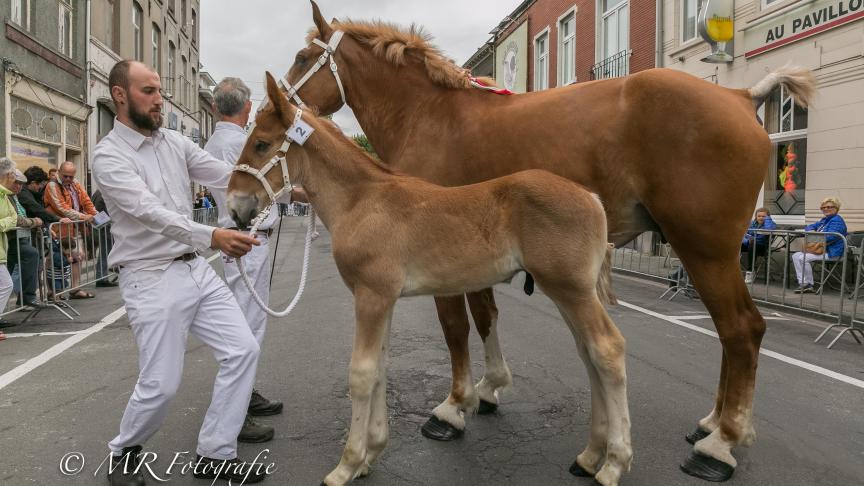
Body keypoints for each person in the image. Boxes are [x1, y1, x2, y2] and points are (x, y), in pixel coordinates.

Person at [93, 60, 267, 485]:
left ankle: (215, 452)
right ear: (120, 95)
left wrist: (279, 181)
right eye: (149, 91)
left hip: (195, 271)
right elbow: (147, 213)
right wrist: (214, 235)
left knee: (243, 349)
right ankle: (124, 453)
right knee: (161, 385)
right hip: (150, 277)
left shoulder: (172, 141)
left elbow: (223, 174)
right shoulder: (108, 156)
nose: (160, 99)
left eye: (159, 91)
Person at [204, 77, 282, 445]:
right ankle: (238, 411)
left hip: (242, 239)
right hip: (247, 238)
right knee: (247, 329)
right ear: (247, 108)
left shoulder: (219, 141)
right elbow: (259, 190)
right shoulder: (238, 143)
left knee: (246, 325)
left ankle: (245, 397)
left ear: (217, 107)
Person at [44, 161, 98, 298]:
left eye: (71, 176)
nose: (68, 179)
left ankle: (75, 288)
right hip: (57, 228)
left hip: (72, 228)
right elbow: (61, 207)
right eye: (65, 176)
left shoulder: (76, 184)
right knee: (55, 260)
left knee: (78, 256)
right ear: (59, 172)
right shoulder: (52, 185)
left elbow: (86, 201)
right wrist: (84, 216)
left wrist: (95, 216)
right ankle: (53, 292)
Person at [792, 197, 848, 293]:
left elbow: (830, 237)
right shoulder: (825, 220)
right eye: (823, 207)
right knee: (796, 256)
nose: (826, 209)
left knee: (803, 258)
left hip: (832, 252)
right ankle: (803, 283)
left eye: (829, 206)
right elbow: (809, 227)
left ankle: (809, 284)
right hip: (822, 249)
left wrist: (812, 237)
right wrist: (812, 231)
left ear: (836, 208)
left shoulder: (837, 220)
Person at [7, 169, 43, 309]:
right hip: (10, 239)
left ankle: (26, 298)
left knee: (7, 275)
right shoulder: (6, 196)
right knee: (30, 254)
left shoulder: (15, 196)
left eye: (21, 184)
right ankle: (27, 297)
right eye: (16, 183)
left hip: (18, 237)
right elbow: (15, 220)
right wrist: (33, 222)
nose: (18, 187)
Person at [0, 159, 24, 336]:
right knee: (7, 284)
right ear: (8, 175)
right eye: (14, 175)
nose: (15, 179)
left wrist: (7, 222)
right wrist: (7, 222)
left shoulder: (4, 195)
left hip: (2, 249)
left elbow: (15, 217)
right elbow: (11, 220)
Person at [741, 207, 777, 283]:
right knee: (736, 245)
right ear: (756, 217)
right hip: (749, 244)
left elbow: (768, 230)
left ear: (768, 217)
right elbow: (743, 234)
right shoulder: (752, 224)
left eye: (763, 216)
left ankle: (750, 271)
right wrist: (747, 240)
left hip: (762, 247)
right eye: (759, 216)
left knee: (752, 245)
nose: (761, 218)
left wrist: (767, 220)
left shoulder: (771, 224)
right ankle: (731, 269)